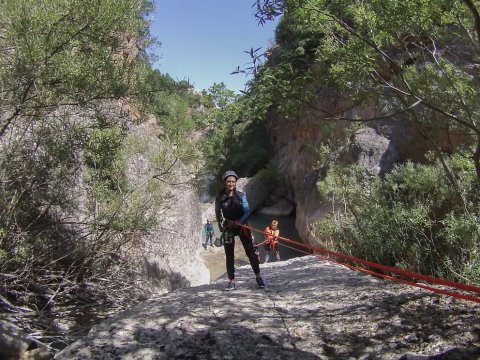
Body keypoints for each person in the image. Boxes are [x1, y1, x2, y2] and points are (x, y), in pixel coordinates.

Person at [215, 170, 265, 291]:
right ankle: (231, 281)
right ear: (224, 182)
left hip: (242, 226)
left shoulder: (241, 195)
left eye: (233, 181)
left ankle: (258, 277)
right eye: (228, 181)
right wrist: (221, 225)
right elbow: (218, 212)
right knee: (229, 255)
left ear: (236, 182)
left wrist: (239, 223)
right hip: (228, 226)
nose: (231, 184)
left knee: (251, 252)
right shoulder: (220, 197)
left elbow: (247, 211)